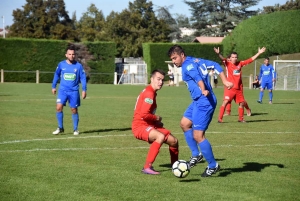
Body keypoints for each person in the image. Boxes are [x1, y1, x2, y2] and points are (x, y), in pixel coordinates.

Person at [168, 45, 233, 177]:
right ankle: (196, 155)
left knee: (198, 136)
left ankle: (213, 165)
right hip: (198, 101)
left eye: (175, 58)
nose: (174, 61)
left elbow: (198, 78)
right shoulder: (196, 60)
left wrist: (203, 89)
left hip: (204, 102)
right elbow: (215, 65)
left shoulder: (187, 66)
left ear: (182, 55)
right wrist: (225, 81)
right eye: (172, 59)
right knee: (185, 124)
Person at [131, 69, 179, 175]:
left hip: (148, 124)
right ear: (151, 79)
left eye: (162, 80)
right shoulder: (149, 93)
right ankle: (147, 167)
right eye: (158, 79)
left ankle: (176, 166)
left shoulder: (151, 91)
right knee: (160, 137)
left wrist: (156, 123)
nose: (161, 82)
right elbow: (144, 115)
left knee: (174, 141)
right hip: (140, 126)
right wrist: (157, 118)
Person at [214, 47, 266, 123]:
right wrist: (218, 54)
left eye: (236, 57)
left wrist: (259, 53)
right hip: (230, 88)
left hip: (238, 88)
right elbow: (222, 59)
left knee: (241, 103)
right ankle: (220, 119)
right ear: (230, 58)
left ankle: (241, 119)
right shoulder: (227, 64)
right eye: (233, 57)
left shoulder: (240, 64)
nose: (234, 58)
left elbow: (250, 60)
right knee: (225, 102)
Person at [51, 45, 87, 135]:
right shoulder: (61, 64)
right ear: (66, 55)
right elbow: (56, 75)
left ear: (75, 55)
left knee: (74, 109)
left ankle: (75, 129)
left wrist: (84, 90)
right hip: (62, 91)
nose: (71, 56)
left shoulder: (78, 66)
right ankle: (60, 128)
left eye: (73, 54)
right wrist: (53, 86)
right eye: (69, 54)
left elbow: (83, 78)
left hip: (74, 91)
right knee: (58, 107)